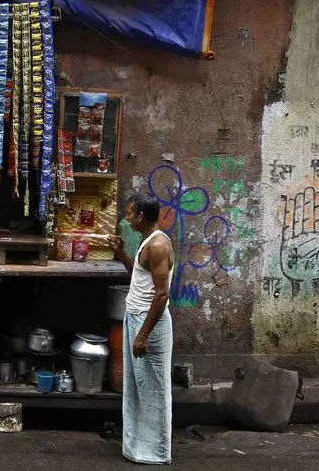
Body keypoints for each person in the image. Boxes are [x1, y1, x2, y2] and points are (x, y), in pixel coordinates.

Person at [108, 192, 175, 465]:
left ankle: (157, 453)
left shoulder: (158, 245)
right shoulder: (145, 241)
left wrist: (143, 334)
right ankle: (138, 449)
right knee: (137, 387)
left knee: (154, 389)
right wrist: (121, 251)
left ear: (142, 217)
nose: (127, 217)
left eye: (130, 213)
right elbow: (137, 276)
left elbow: (161, 295)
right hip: (136, 317)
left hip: (150, 324)